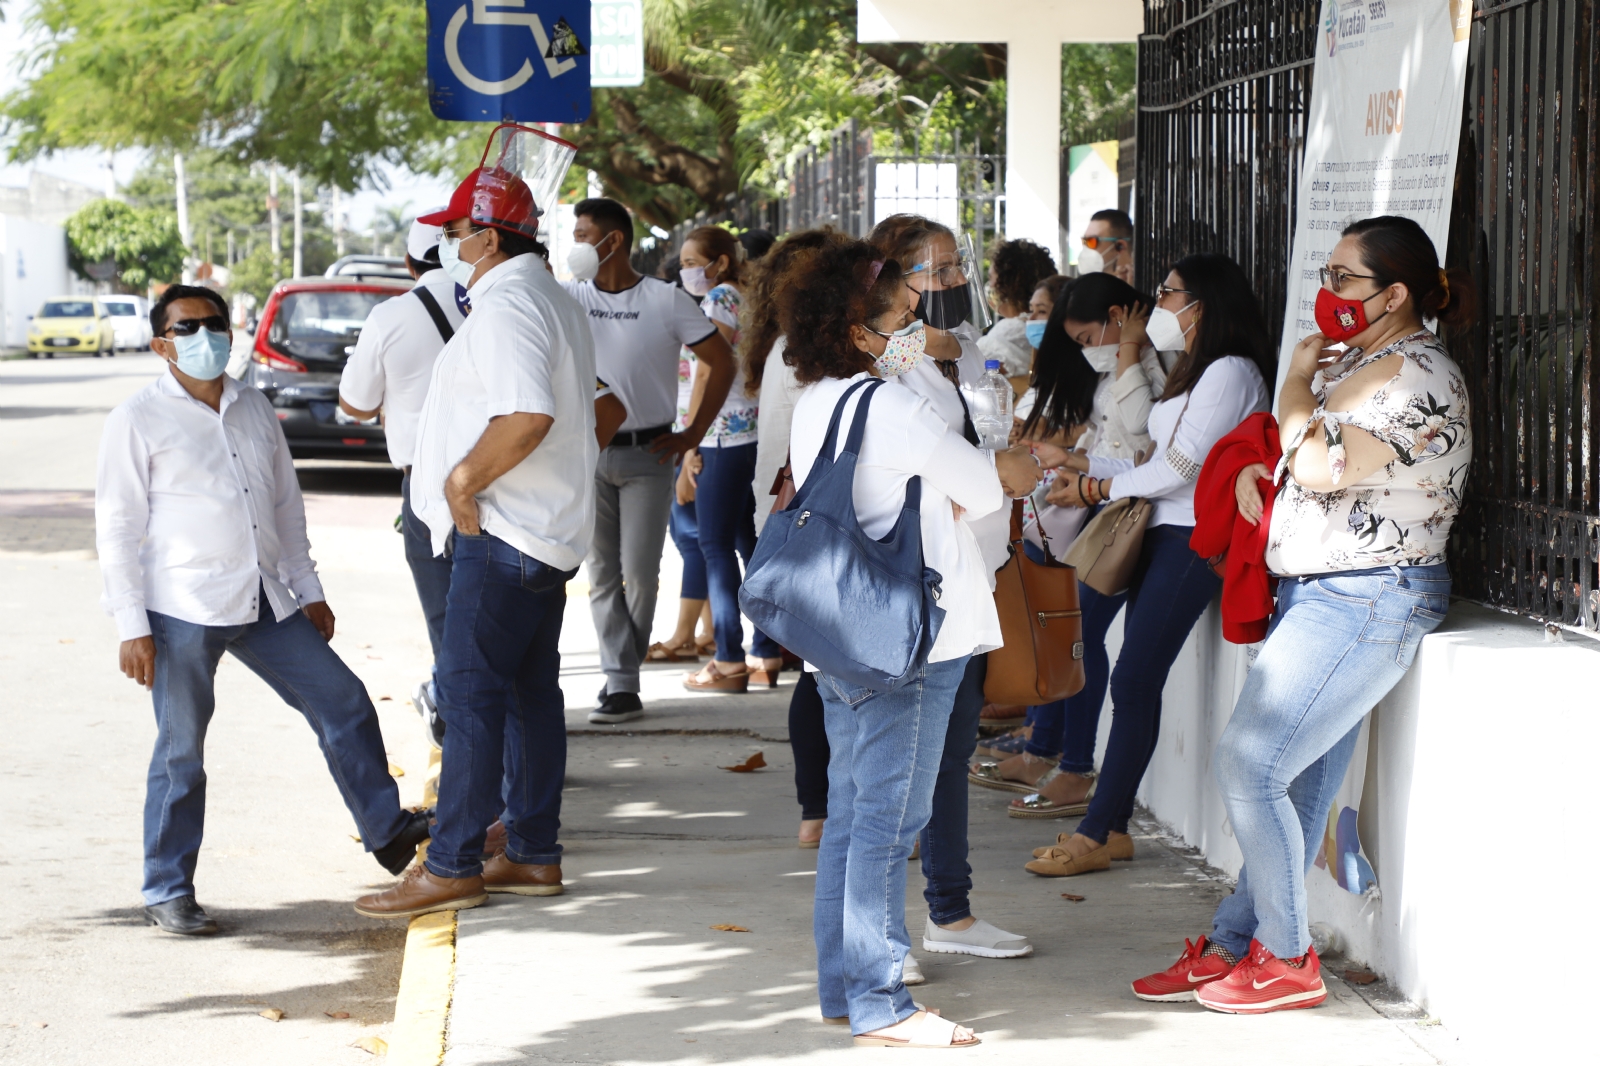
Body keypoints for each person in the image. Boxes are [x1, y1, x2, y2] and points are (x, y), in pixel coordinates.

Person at [1134, 217, 1473, 1014]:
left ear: (1395, 294)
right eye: (1327, 272)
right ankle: (1231, 946)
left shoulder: (1418, 376)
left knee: (1250, 767)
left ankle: (1286, 960)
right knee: (1296, 786)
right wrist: (1260, 475)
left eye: (1346, 278)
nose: (1329, 292)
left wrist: (1290, 381)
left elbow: (1321, 461)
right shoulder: (1360, 362)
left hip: (1367, 596)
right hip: (1320, 593)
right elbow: (1296, 459)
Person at [98, 284, 430, 936]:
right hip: (182, 608)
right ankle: (168, 889)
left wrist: (308, 588)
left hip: (263, 598)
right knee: (181, 754)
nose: (204, 337)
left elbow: (285, 508)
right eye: (186, 327)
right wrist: (131, 626)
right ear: (161, 342)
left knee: (344, 701)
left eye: (214, 324)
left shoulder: (252, 407)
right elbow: (117, 528)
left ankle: (387, 832)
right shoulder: (136, 419)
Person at [355, 141, 597, 918]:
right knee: (528, 696)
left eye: (458, 232)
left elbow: (527, 414)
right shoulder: (544, 296)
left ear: (490, 238)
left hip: (507, 534)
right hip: (538, 532)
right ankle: (531, 851)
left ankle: (453, 862)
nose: (449, 247)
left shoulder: (510, 304)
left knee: (470, 696)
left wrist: (462, 480)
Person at [782, 240, 1002, 1048]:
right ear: (858, 329)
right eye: (901, 315)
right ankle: (881, 1001)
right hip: (911, 639)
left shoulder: (821, 400)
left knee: (853, 814)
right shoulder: (895, 408)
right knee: (885, 820)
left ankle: (846, 989)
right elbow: (981, 490)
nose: (915, 322)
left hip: (846, 636)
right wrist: (984, 471)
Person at [1021, 252, 1274, 875]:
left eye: (1167, 292)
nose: (1156, 302)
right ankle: (1109, 826)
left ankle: (1098, 827)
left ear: (1202, 300)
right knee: (1131, 678)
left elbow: (1181, 471)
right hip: (1159, 530)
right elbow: (1152, 460)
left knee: (1134, 680)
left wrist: (1094, 490)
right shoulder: (1197, 368)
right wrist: (1081, 464)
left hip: (1193, 539)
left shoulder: (1231, 372)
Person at [868, 215, 1044, 964]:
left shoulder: (967, 349)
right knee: (893, 764)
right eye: (931, 271)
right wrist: (919, 343)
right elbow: (860, 350)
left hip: (976, 576)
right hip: (909, 584)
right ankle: (878, 933)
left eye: (954, 268)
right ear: (892, 279)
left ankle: (951, 910)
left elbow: (984, 435)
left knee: (947, 754)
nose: (949, 283)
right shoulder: (883, 352)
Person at [978, 273, 1172, 811]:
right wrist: (1078, 472)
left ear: (1117, 317)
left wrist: (1130, 345)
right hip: (1105, 508)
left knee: (1080, 636)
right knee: (1070, 630)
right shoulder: (1118, 369)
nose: (1087, 352)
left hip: (1138, 519)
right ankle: (1053, 752)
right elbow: (1108, 442)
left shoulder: (1149, 365)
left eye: (1089, 339)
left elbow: (1139, 427)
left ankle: (1074, 765)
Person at [555, 199, 734, 723]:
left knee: (641, 571)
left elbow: (721, 360)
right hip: (588, 452)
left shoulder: (665, 299)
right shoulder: (568, 297)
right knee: (602, 571)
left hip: (649, 453)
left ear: (613, 241)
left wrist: (693, 433)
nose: (576, 243)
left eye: (583, 233)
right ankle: (622, 681)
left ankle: (622, 671)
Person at [337, 213, 468, 750]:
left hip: (429, 488)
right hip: (513, 481)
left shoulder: (392, 316)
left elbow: (354, 403)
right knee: (512, 629)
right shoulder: (501, 302)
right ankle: (520, 767)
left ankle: (468, 754)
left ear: (409, 263)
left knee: (448, 625)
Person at [740, 227, 851, 849]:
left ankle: (816, 808)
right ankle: (824, 808)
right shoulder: (816, 354)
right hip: (819, 526)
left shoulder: (786, 345)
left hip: (786, 522)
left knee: (816, 672)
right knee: (831, 676)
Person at [677, 225, 783, 693]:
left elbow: (708, 369)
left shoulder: (720, 297)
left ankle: (727, 659)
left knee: (715, 545)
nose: (686, 272)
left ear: (719, 261)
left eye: (691, 262)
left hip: (721, 433)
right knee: (747, 542)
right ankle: (764, 651)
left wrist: (689, 441)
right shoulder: (750, 294)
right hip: (753, 432)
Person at [979, 238, 1057, 385]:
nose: (991, 285)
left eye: (991, 278)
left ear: (1007, 284)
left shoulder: (1006, 330)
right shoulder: (1054, 323)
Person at [1079, 208, 1135, 284]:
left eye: (1091, 241)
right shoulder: (1087, 287)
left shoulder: (1144, 283)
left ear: (1120, 246)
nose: (1086, 248)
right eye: (1084, 241)